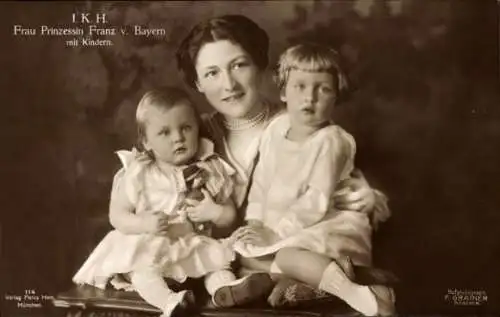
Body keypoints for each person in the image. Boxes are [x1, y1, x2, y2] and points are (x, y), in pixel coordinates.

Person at [176, 13, 391, 309]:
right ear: (197, 82)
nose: (229, 84)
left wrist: (367, 197)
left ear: (261, 66)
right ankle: (284, 283)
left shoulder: (298, 121)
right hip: (238, 252)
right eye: (212, 73)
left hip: (306, 232)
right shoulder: (191, 135)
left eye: (239, 65)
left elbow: (342, 190)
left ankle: (325, 283)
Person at [71, 87, 274, 317]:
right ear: (146, 141)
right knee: (143, 272)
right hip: (150, 247)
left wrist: (214, 211)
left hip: (190, 245)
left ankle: (225, 290)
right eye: (165, 132)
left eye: (186, 128)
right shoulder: (140, 173)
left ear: (197, 129)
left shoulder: (209, 170)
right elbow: (117, 216)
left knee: (217, 264)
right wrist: (143, 224)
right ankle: (171, 303)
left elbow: (229, 216)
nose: (178, 137)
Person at [229, 43, 395, 316]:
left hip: (329, 224)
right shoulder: (276, 129)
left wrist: (276, 233)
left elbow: (315, 201)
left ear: (335, 97)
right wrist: (255, 222)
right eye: (301, 86)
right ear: (283, 92)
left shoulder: (332, 141)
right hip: (289, 224)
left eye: (323, 89)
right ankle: (291, 286)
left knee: (286, 255)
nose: (311, 97)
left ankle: (362, 296)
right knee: (242, 255)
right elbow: (260, 182)